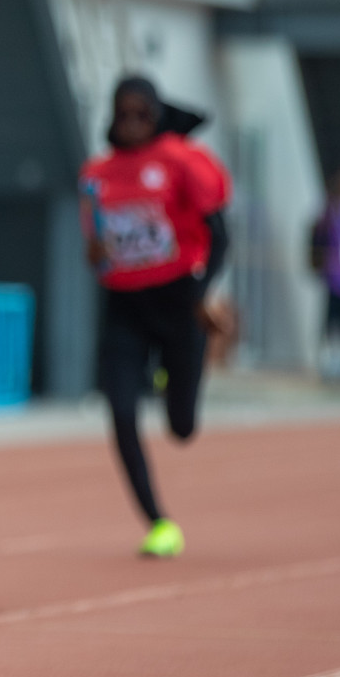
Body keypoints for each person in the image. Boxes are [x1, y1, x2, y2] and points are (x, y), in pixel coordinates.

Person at [80, 75, 230, 559]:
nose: (130, 123)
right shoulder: (96, 174)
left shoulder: (182, 161)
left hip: (178, 300)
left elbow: (220, 234)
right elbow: (95, 248)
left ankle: (177, 370)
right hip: (124, 307)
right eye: (121, 113)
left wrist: (204, 293)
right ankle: (158, 522)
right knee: (121, 410)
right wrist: (98, 252)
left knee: (181, 428)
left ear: (157, 114)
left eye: (141, 113)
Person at [310, 164, 340, 374]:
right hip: (335, 276)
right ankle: (331, 356)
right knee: (332, 318)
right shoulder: (329, 213)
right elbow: (317, 238)